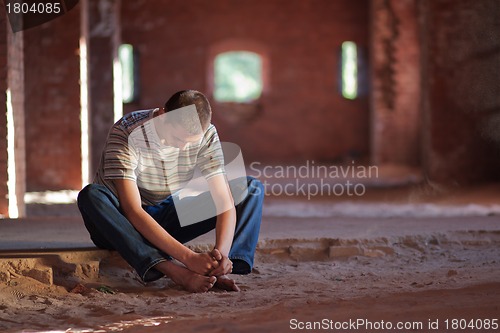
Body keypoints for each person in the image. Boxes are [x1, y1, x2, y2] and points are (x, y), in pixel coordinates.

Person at [77, 90, 264, 293]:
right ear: (162, 115)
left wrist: (219, 258)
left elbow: (223, 200)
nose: (183, 148)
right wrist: (188, 259)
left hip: (162, 214)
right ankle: (172, 271)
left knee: (250, 189)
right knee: (91, 196)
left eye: (190, 143)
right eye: (177, 138)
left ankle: (222, 268)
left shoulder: (206, 133)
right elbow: (133, 210)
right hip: (120, 223)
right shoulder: (128, 132)